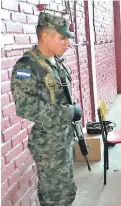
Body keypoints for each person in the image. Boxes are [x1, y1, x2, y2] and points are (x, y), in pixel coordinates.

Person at [11, 12, 80, 206]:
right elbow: (25, 107)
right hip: (48, 145)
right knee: (54, 197)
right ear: (46, 37)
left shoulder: (54, 61)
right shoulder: (26, 68)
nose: (67, 43)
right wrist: (69, 112)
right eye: (62, 38)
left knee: (65, 191)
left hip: (63, 137)